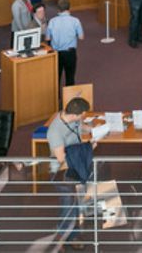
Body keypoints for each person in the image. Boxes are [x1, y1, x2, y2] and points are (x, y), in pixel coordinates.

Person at [45, 97, 97, 250]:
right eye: (83, 114)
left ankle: (72, 234)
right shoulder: (55, 131)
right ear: (75, 114)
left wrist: (95, 129)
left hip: (76, 167)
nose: (83, 117)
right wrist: (89, 148)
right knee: (69, 206)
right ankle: (61, 238)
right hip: (63, 173)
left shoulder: (71, 118)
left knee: (75, 204)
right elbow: (62, 158)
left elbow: (81, 127)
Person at [46, 5, 85, 87]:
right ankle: (69, 98)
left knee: (56, 78)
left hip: (56, 53)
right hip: (70, 53)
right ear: (69, 9)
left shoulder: (52, 21)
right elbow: (81, 37)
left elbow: (47, 38)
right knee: (70, 78)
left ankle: (56, 98)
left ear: (58, 10)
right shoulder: (75, 21)